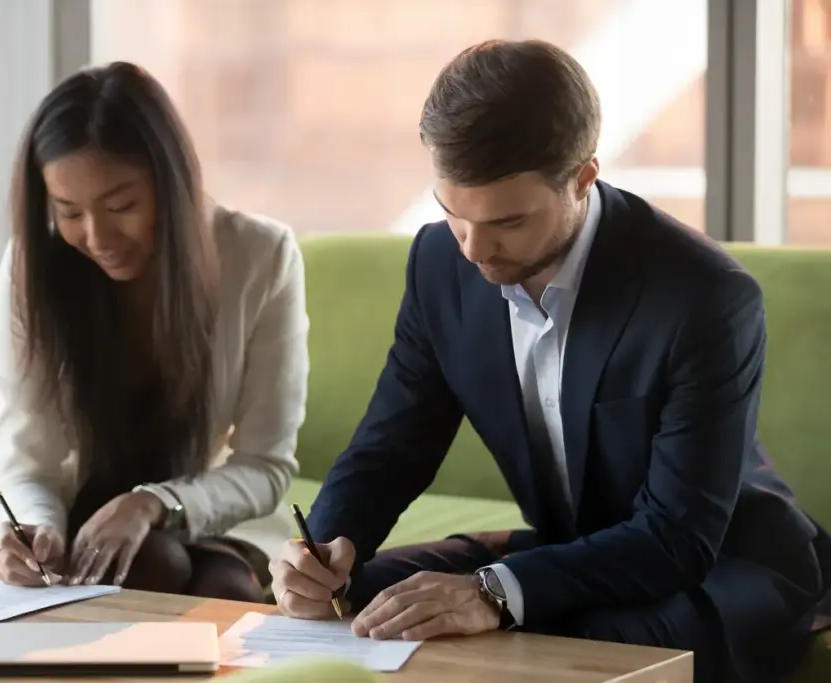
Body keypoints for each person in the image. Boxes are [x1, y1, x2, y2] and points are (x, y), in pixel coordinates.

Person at [269, 40, 831, 682]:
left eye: (508, 221)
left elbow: (677, 536)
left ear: (584, 177)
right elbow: (390, 449)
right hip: (576, 551)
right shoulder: (438, 262)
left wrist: (490, 593)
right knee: (356, 603)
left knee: (548, 639)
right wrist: (323, 551)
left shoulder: (704, 298)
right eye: (454, 213)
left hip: (723, 566)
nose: (476, 250)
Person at [0, 62, 309, 604]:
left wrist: (152, 503)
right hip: (52, 510)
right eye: (69, 212)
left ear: (171, 184)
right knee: (136, 576)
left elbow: (265, 466)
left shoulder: (259, 257)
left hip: (192, 511)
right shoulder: (30, 268)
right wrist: (37, 529)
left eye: (121, 206)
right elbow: (27, 459)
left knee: (215, 594)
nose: (97, 236)